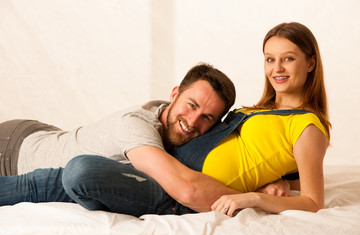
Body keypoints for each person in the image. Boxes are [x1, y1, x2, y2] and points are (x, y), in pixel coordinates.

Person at [61, 21, 331, 216]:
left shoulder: (308, 126)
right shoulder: (259, 109)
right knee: (46, 181)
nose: (277, 68)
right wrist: (277, 182)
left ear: (310, 63)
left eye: (288, 59)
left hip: (181, 196)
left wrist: (255, 198)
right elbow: (279, 168)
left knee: (81, 171)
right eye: (270, 59)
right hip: (164, 169)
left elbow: (312, 201)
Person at [1, 63, 244, 213]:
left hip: (49, 135)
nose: (192, 121)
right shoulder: (135, 125)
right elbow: (186, 189)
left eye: (207, 117)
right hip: (14, 151)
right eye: (191, 105)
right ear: (174, 94)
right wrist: (256, 199)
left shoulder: (180, 129)